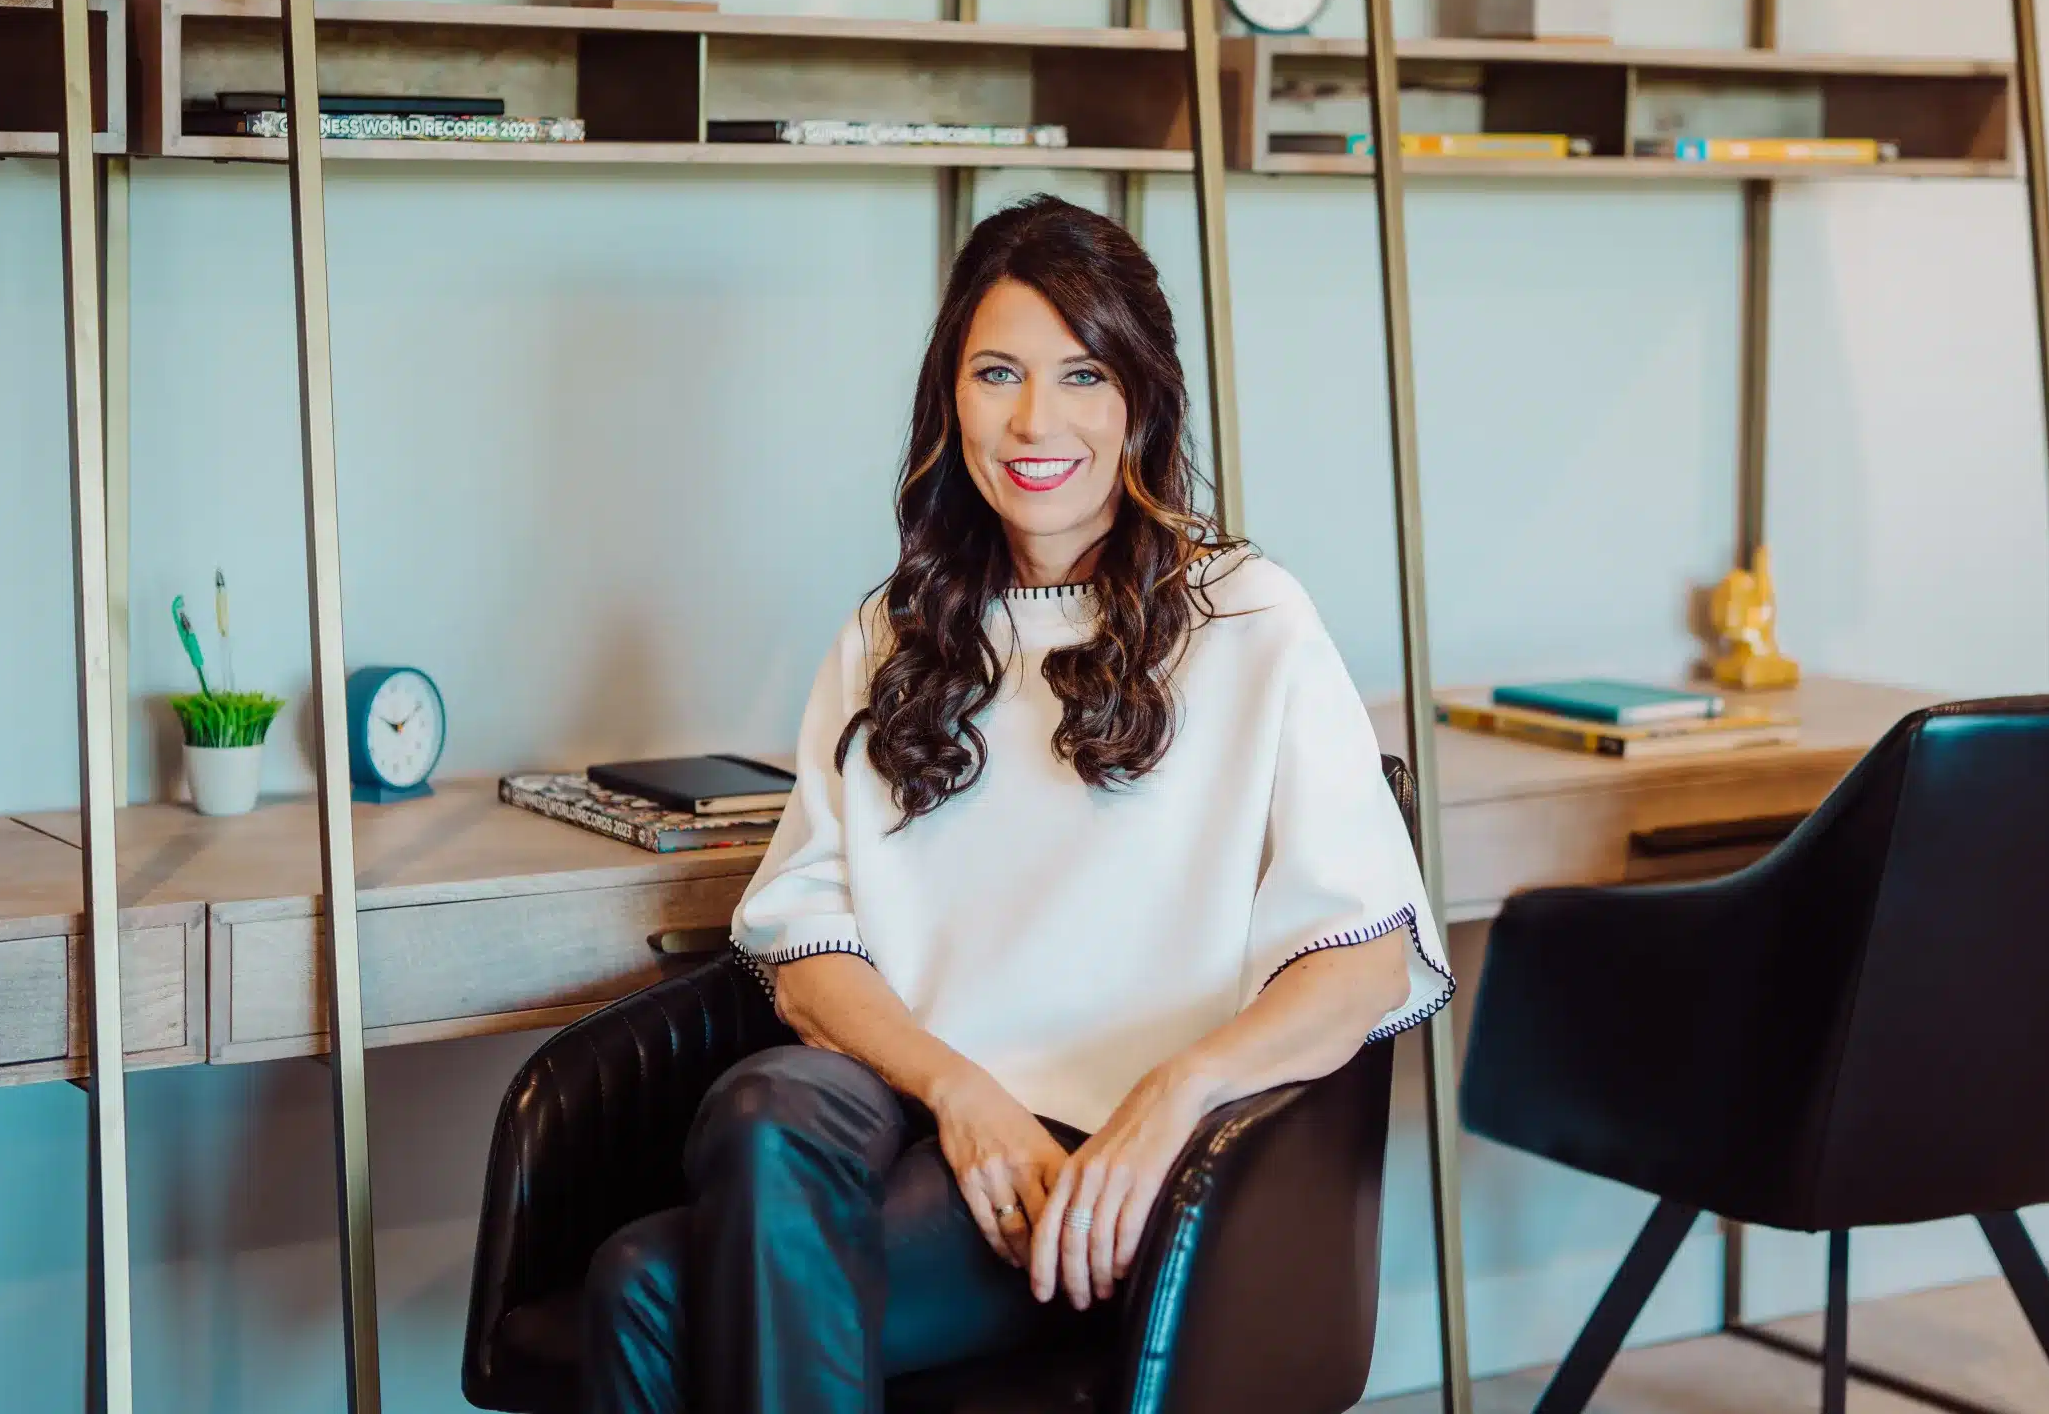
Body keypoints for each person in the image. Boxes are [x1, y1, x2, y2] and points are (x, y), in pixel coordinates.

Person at [582, 194, 1451, 1414]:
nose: (1037, 421)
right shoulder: (895, 630)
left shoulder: (1248, 622)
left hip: (1113, 1170)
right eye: (998, 373)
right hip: (914, 1112)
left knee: (642, 1290)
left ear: (1141, 399)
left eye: (1082, 374)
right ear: (953, 397)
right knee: (761, 1105)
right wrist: (961, 1092)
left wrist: (1175, 1095)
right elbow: (806, 941)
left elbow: (1364, 963)